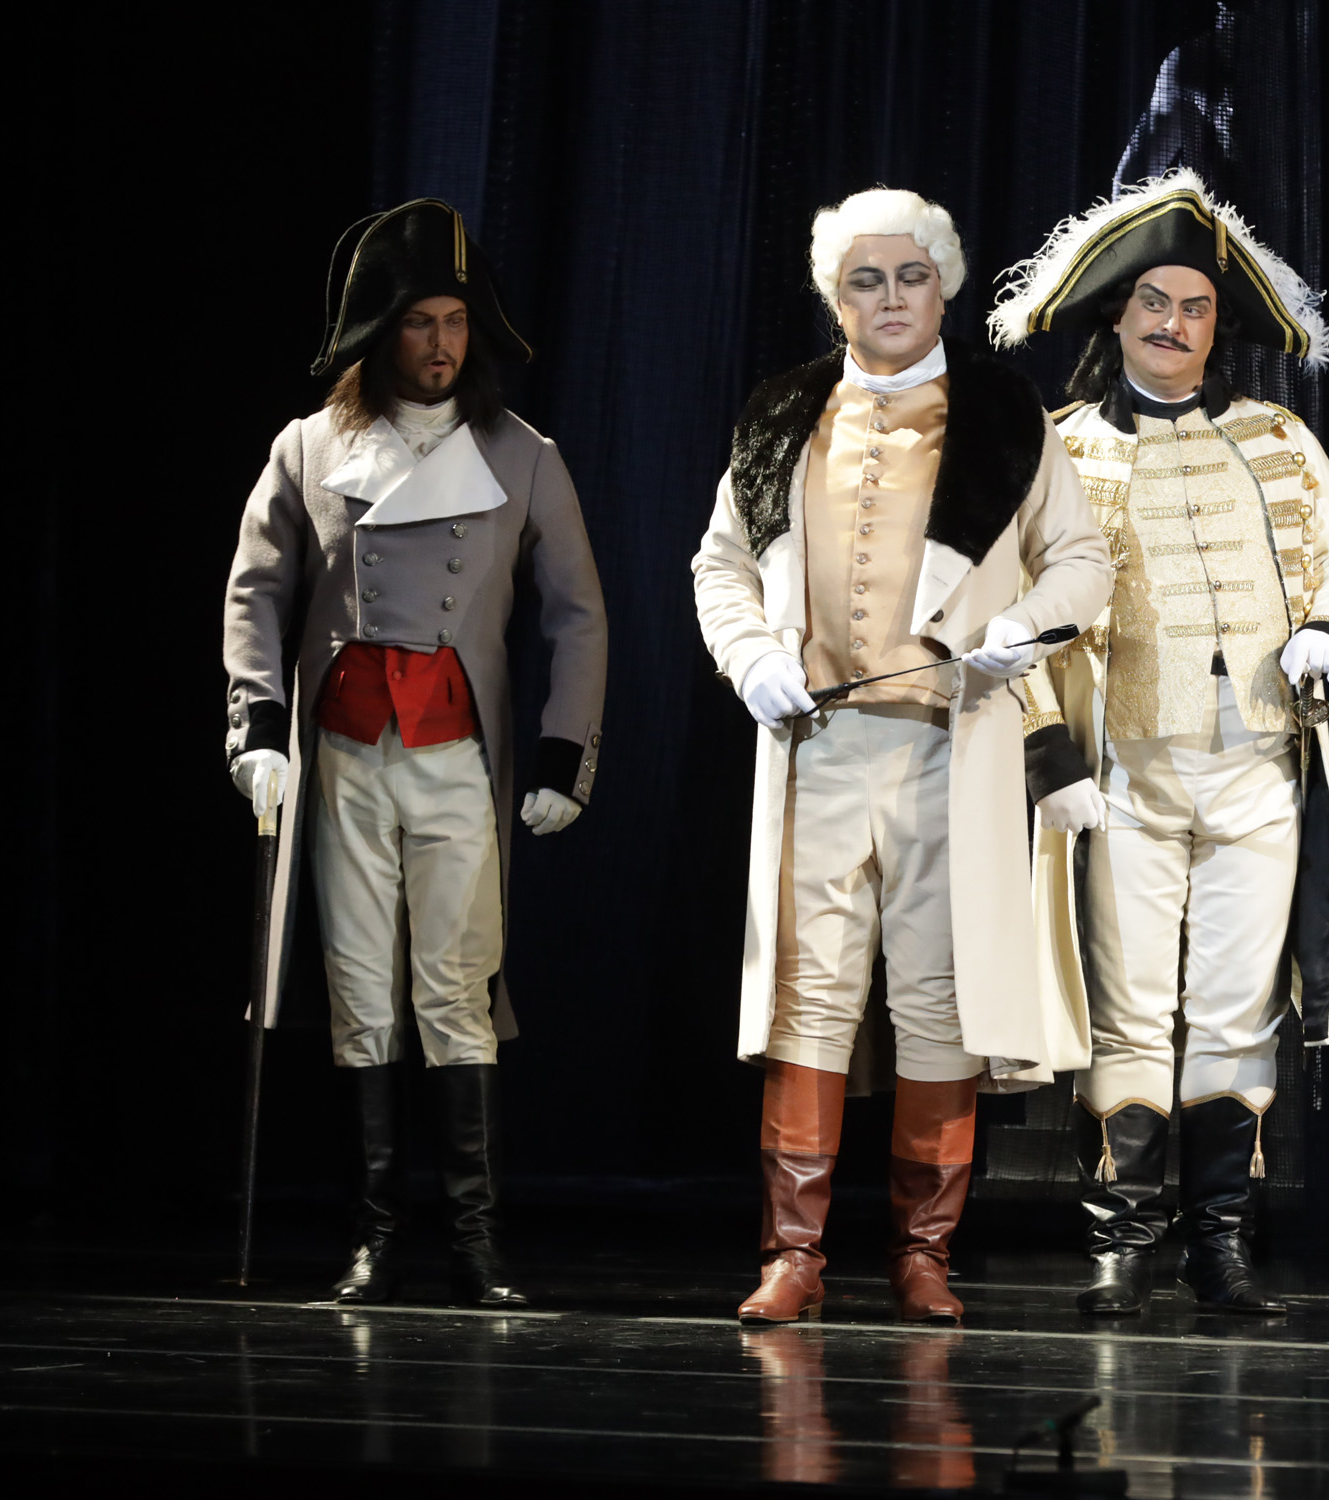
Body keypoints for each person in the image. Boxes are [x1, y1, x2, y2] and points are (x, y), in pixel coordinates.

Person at [691, 188, 1110, 1326]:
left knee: (942, 998)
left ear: (944, 287)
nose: (889, 298)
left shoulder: (1004, 414)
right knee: (807, 996)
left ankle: (925, 1253)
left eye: (910, 277)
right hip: (817, 748)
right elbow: (721, 563)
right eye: (865, 281)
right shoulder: (782, 415)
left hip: (949, 751)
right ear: (835, 298)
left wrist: (1022, 629)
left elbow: (1081, 561)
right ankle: (793, 1253)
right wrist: (750, 656)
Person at [988, 170, 1329, 1314]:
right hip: (1126, 772)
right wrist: (1050, 755)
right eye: (1153, 303)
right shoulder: (1060, 449)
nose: (1173, 323)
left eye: (1195, 307)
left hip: (1259, 765)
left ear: (1218, 326)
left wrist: (1327, 625)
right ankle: (1121, 1244)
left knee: (1237, 1009)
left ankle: (1219, 1246)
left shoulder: (1277, 437)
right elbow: (1010, 604)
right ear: (1116, 317)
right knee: (1128, 1009)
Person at [222, 199, 609, 1306]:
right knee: (359, 988)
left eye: (454, 321)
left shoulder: (523, 456)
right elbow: (256, 593)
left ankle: (477, 1245)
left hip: (454, 759)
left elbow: (579, 615)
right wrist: (257, 726)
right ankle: (375, 1236)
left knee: (454, 989)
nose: (440, 344)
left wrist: (562, 753)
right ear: (378, 333)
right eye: (417, 323)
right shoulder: (309, 448)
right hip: (343, 754)